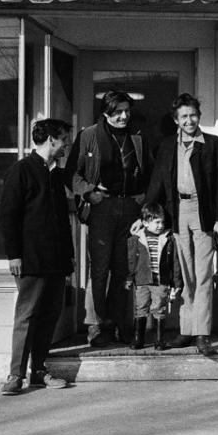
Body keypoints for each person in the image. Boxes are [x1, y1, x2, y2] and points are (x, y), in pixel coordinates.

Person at [147, 93, 218, 356]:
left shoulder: (213, 144)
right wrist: (145, 215)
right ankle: (186, 329)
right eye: (183, 116)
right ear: (176, 120)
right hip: (178, 211)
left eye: (193, 115)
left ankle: (202, 333)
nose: (189, 120)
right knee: (184, 274)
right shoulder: (167, 145)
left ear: (199, 116)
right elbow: (158, 183)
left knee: (203, 273)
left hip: (203, 213)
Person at [68, 90, 152, 347]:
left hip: (129, 209)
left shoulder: (137, 137)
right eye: (118, 112)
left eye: (127, 111)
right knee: (100, 269)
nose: (124, 116)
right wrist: (88, 192)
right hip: (101, 208)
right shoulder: (89, 135)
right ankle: (96, 325)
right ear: (106, 112)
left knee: (123, 270)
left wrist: (143, 199)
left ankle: (119, 324)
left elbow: (150, 172)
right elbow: (72, 173)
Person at [0, 118, 73, 396]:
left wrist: (69, 257)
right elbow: (8, 217)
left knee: (49, 316)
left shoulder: (55, 174)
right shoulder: (21, 171)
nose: (66, 144)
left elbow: (62, 222)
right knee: (27, 316)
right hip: (30, 260)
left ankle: (39, 371)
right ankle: (15, 375)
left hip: (56, 262)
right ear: (51, 139)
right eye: (64, 138)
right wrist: (14, 255)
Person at [125, 203, 183, 350]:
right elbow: (132, 261)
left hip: (160, 281)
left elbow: (174, 262)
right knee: (141, 307)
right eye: (156, 222)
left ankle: (159, 339)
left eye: (162, 222)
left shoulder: (169, 239)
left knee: (159, 308)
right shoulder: (136, 240)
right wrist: (130, 277)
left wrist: (177, 283)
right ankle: (139, 339)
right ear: (145, 222)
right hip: (142, 280)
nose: (160, 225)